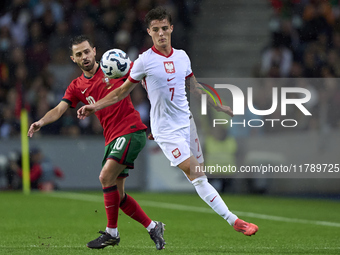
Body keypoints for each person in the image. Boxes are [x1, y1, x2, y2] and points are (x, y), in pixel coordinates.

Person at [77, 7, 259, 240]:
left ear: (171, 28)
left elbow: (195, 87)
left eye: (164, 28)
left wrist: (219, 106)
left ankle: (231, 219)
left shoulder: (182, 56)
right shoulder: (143, 62)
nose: (161, 33)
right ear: (149, 32)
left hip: (187, 124)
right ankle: (235, 221)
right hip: (166, 131)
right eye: (156, 30)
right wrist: (95, 106)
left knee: (200, 178)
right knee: (198, 174)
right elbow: (121, 92)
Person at [27, 35, 166, 250]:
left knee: (104, 176)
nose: (84, 56)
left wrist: (158, 120)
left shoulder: (114, 67)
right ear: (73, 59)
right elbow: (60, 109)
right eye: (79, 54)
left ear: (94, 51)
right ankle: (152, 227)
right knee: (118, 197)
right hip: (111, 138)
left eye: (86, 51)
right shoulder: (76, 86)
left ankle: (112, 232)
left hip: (130, 130)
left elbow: (147, 82)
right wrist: (41, 122)